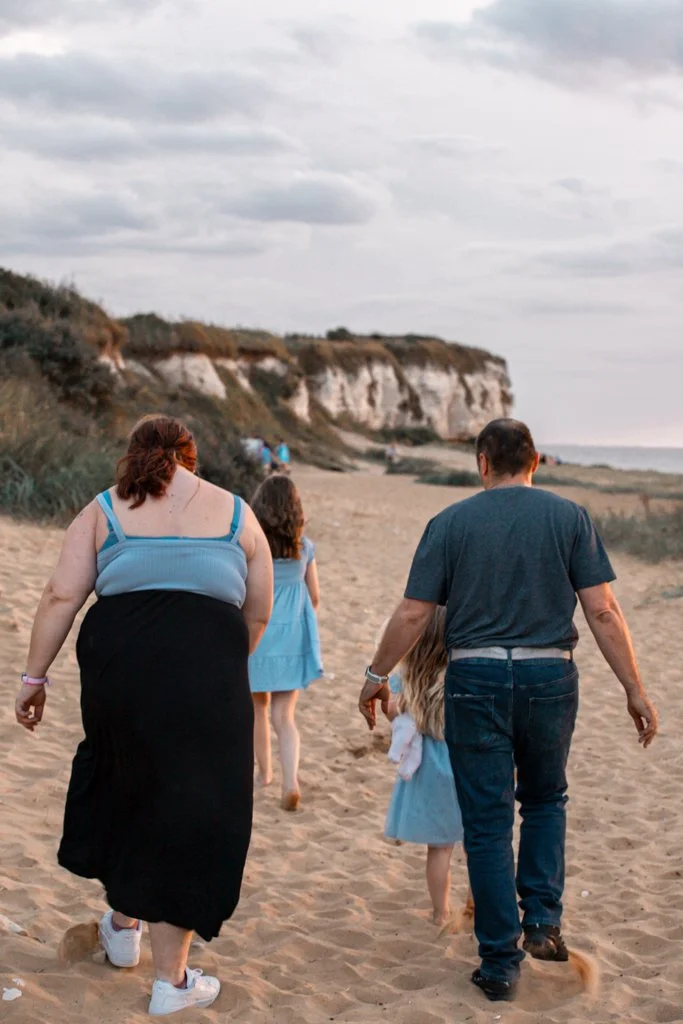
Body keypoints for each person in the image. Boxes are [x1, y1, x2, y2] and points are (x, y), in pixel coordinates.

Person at [358, 418, 658, 1003]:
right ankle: (542, 921)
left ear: (481, 463)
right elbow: (602, 611)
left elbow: (415, 613)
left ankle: (499, 964)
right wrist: (634, 688)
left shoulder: (448, 523)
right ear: (536, 462)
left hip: (477, 676)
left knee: (488, 823)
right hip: (551, 675)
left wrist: (375, 675)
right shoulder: (569, 517)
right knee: (546, 798)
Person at [14, 414, 273, 1016]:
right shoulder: (236, 512)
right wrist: (217, 666)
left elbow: (60, 596)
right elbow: (257, 612)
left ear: (133, 456)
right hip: (207, 674)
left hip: (120, 673)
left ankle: (125, 929)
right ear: (191, 456)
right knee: (190, 808)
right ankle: (171, 981)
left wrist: (33, 678)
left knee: (131, 782)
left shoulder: (103, 509)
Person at [383, 607, 468, 927]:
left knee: (440, 848)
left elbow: (393, 712)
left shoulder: (409, 674)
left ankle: (440, 912)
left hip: (430, 768)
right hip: (465, 762)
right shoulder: (463, 673)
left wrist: (405, 709)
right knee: (478, 842)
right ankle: (476, 903)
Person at [249, 474, 323, 811]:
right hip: (290, 639)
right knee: (285, 716)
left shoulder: (252, 546)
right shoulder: (304, 548)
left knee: (258, 710)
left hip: (258, 636)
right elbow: (315, 597)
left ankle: (263, 774)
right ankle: (290, 781)